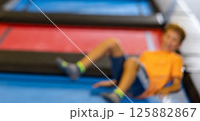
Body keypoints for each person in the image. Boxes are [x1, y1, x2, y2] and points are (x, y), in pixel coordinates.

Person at [56, 23, 186, 103]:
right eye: (168, 37)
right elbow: (131, 72)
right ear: (162, 36)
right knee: (112, 42)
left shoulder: (176, 58)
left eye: (174, 40)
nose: (169, 41)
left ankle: (117, 95)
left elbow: (177, 85)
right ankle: (78, 68)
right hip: (133, 81)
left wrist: (165, 89)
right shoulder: (148, 54)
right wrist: (113, 81)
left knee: (132, 61)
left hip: (144, 87)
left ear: (179, 45)